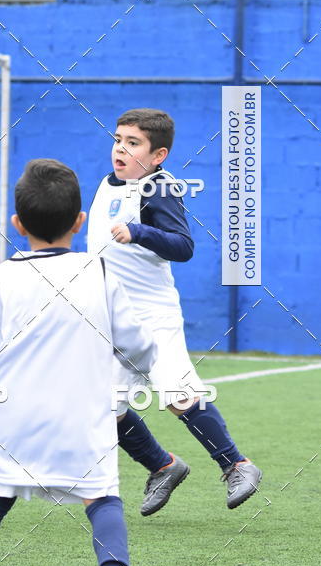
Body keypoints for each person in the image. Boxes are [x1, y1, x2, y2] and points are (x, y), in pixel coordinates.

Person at [0, 158, 162, 566]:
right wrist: (139, 369)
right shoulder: (100, 273)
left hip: (8, 418)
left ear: (17, 224)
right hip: (79, 417)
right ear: (80, 222)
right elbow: (138, 344)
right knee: (101, 496)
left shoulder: (1, 278)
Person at [87, 109, 262, 513]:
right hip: (111, 319)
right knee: (101, 406)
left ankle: (238, 465)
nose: (120, 149)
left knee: (177, 394)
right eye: (118, 140)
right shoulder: (107, 184)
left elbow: (183, 246)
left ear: (158, 155)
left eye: (133, 143)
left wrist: (139, 232)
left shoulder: (158, 188)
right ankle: (163, 466)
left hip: (151, 317)